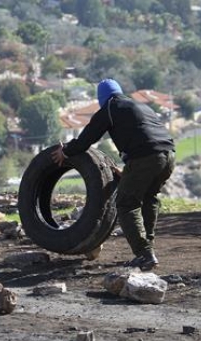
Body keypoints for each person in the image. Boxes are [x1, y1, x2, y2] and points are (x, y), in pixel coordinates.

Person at [51, 79, 175, 271]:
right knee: (149, 198)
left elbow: (87, 139)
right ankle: (147, 250)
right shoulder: (139, 105)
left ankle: (144, 254)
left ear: (101, 97)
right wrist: (129, 170)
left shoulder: (110, 107)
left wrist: (65, 151)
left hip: (146, 157)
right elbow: (145, 135)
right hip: (168, 155)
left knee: (126, 203)